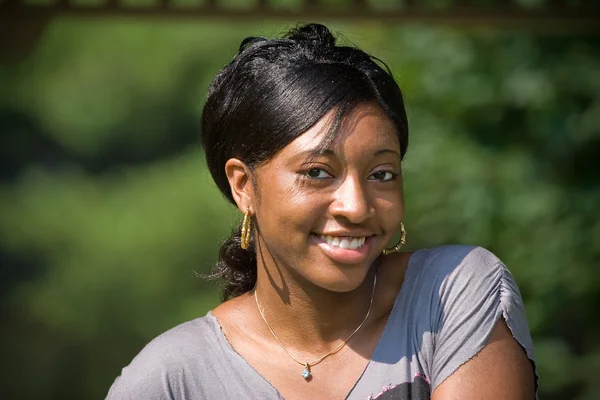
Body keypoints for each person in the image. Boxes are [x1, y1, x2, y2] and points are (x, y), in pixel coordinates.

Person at [106, 23, 538, 399]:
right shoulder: (173, 379)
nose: (356, 206)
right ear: (244, 186)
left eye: (382, 174)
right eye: (317, 172)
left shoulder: (452, 295)